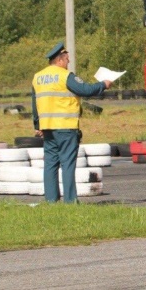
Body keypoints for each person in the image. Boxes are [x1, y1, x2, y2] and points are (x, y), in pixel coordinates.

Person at [31, 42, 112, 203]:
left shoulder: (38, 77)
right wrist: (104, 84)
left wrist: (37, 125)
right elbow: (86, 90)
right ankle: (70, 201)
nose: (68, 63)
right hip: (66, 126)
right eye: (67, 59)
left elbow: (34, 103)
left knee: (50, 164)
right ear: (60, 60)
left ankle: (51, 201)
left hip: (47, 127)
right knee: (67, 164)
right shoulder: (65, 75)